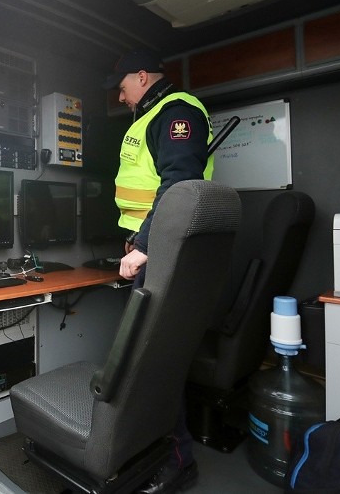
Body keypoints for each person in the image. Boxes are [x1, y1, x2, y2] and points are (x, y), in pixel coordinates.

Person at [103, 49, 213, 493]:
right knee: (147, 362)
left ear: (143, 76)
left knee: (153, 365)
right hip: (153, 250)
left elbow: (180, 182)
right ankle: (151, 448)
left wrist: (144, 245)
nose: (120, 92)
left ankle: (178, 460)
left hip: (163, 252)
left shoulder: (177, 111)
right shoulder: (149, 116)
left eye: (123, 83)